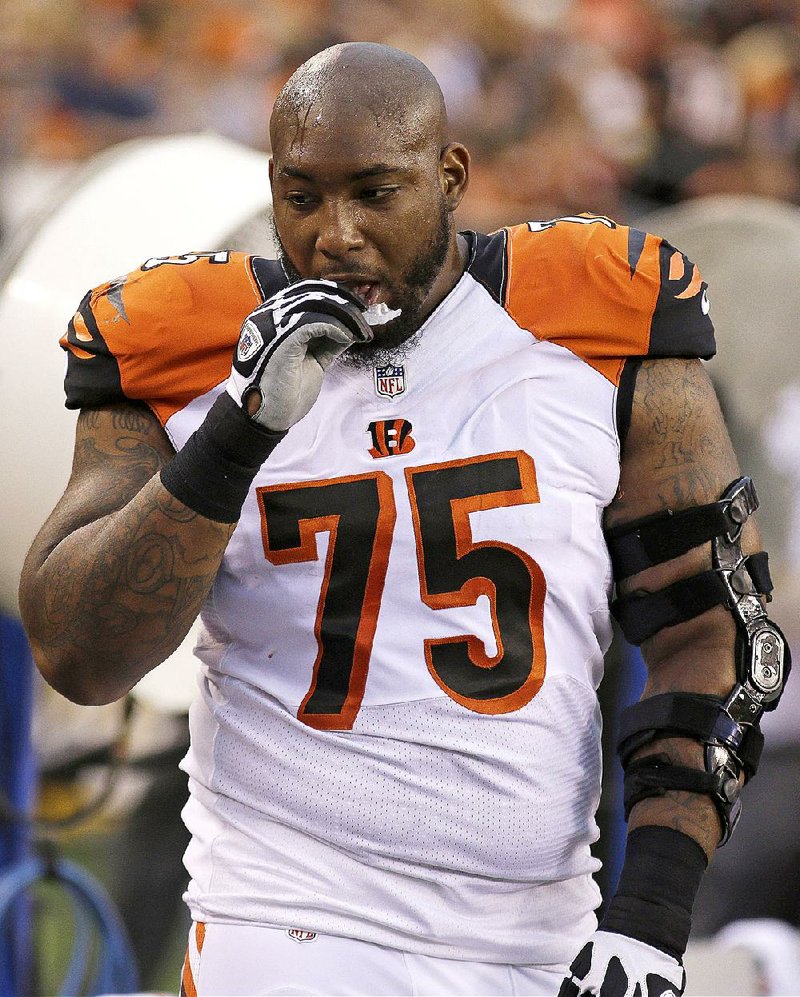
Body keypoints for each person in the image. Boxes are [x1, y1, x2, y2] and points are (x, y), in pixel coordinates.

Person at [18, 42, 788, 997]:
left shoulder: (594, 318)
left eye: (376, 194)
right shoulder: (184, 342)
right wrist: (240, 431)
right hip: (286, 923)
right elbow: (80, 653)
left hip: (538, 936)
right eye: (304, 198)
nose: (337, 235)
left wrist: (653, 914)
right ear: (272, 189)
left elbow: (716, 632)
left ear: (450, 176)